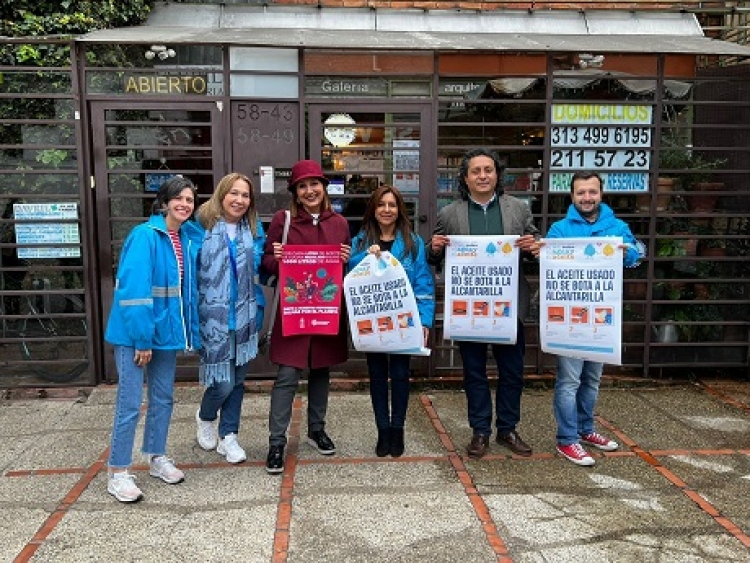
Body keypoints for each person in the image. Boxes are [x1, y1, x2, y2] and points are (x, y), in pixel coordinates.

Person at [428, 148, 539, 460]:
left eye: (488, 170)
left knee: (512, 372)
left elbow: (533, 246)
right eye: (475, 171)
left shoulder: (518, 209)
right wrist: (434, 248)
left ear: (497, 175)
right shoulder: (450, 214)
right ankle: (480, 431)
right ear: (465, 177)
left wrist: (532, 247)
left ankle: (507, 428)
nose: (482, 176)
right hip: (470, 310)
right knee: (474, 372)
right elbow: (433, 254)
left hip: (508, 306)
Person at [104, 176, 203, 503]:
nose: (185, 205)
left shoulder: (186, 237)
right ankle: (118, 472)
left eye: (190, 200)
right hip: (138, 335)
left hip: (166, 334)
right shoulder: (145, 236)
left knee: (163, 399)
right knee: (130, 404)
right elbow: (134, 292)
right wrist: (142, 339)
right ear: (164, 202)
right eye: (179, 199)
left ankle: (156, 456)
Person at [540, 171, 643, 466]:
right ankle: (567, 439)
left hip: (600, 318)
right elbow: (546, 260)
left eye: (592, 192)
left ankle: (585, 430)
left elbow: (638, 254)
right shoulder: (559, 230)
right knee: (569, 380)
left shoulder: (617, 227)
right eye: (581, 192)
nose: (587, 197)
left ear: (601, 194)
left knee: (592, 379)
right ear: (572, 196)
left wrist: (629, 251)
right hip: (569, 320)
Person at [261, 159, 351, 475]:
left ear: (324, 187)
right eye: (303, 186)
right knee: (287, 375)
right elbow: (266, 263)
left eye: (314, 184)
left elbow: (345, 271)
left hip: (326, 311)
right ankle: (276, 442)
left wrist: (346, 259)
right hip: (294, 311)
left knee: (321, 371)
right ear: (296, 193)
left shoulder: (339, 223)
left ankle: (316, 428)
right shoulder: (282, 221)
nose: (309, 190)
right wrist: (278, 259)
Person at [349, 185, 435, 457]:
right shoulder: (361, 241)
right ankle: (382, 430)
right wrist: (366, 258)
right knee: (376, 376)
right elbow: (350, 275)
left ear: (400, 210)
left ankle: (397, 430)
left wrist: (425, 321)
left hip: (403, 323)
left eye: (392, 205)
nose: (387, 210)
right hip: (372, 323)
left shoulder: (413, 243)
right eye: (381, 205)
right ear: (373, 209)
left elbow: (423, 283)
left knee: (399, 376)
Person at [194, 172, 266, 464]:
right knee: (222, 382)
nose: (239, 200)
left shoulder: (254, 228)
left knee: (237, 380)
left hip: (246, 315)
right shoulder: (199, 227)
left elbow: (260, 262)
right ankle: (206, 415)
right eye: (233, 193)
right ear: (221, 195)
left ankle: (229, 436)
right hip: (213, 316)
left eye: (245, 195)